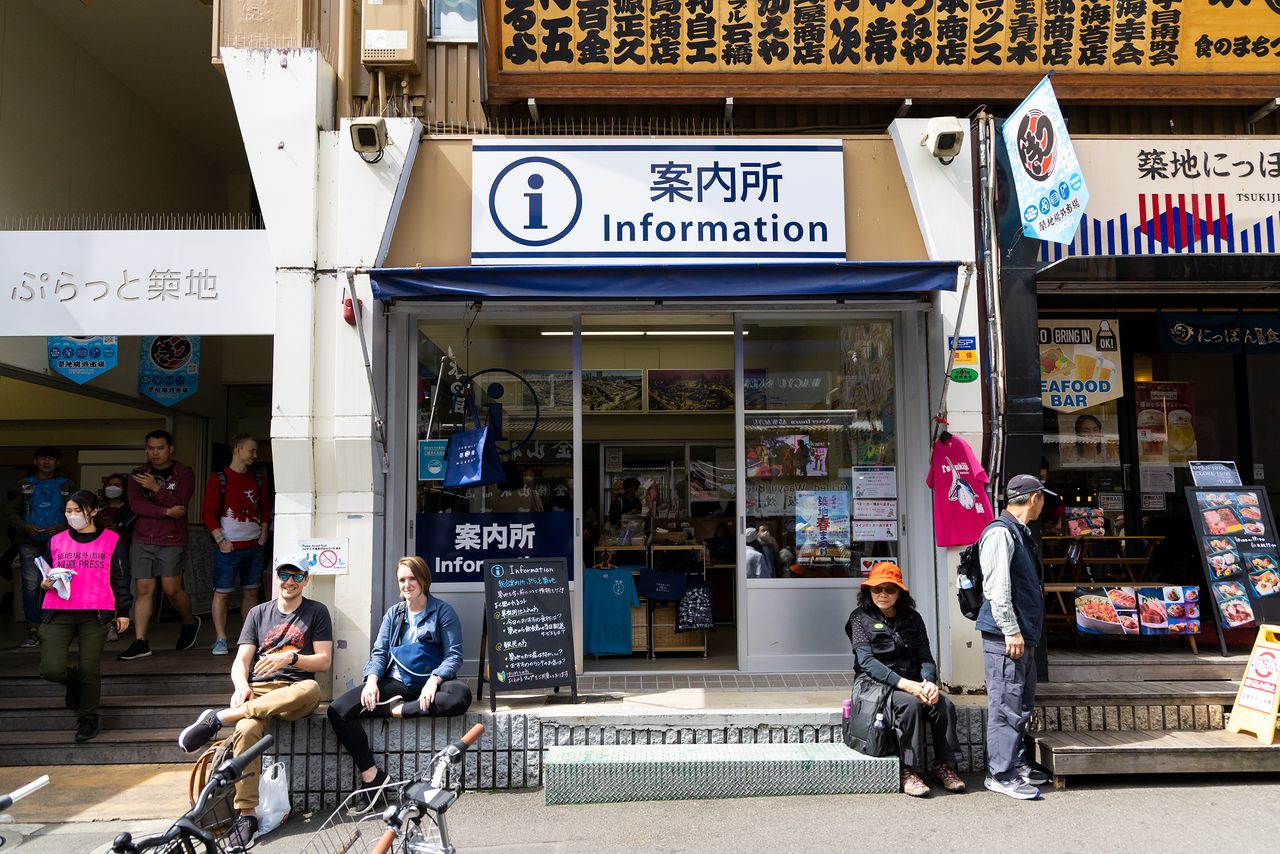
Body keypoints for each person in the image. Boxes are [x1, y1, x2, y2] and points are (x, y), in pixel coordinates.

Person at [176, 556, 332, 852]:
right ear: (276, 577)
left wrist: (291, 658)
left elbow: (324, 661)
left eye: (297, 576)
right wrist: (241, 685)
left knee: (312, 688)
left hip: (295, 690)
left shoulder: (316, 611)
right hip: (258, 691)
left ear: (306, 580)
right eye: (284, 575)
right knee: (246, 730)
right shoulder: (258, 613)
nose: (290, 582)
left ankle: (221, 718)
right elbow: (242, 660)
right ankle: (246, 816)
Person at [327, 556, 472, 814]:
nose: (407, 584)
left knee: (460, 695)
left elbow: (454, 656)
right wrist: (372, 680)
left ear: (424, 580)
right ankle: (372, 776)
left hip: (430, 682)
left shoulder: (443, 611)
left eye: (412, 578)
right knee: (338, 710)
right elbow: (380, 652)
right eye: (402, 580)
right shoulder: (394, 614)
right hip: (395, 681)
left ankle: (398, 709)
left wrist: (434, 679)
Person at [846, 562, 964, 797]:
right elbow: (866, 661)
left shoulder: (913, 618)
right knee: (909, 704)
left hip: (912, 682)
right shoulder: (859, 618)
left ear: (900, 593)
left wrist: (929, 682)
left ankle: (944, 766)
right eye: (877, 589)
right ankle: (908, 770)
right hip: (874, 685)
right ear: (868, 591)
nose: (883, 594)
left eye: (890, 589)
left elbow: (926, 657)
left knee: (943, 705)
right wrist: (905, 684)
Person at [976, 473, 1054, 800]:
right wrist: (1011, 630)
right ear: (1034, 498)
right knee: (1005, 705)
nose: (1043, 503)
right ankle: (1000, 773)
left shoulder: (1019, 532)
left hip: (1022, 635)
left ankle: (1016, 763)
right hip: (1006, 637)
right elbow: (997, 589)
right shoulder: (1000, 532)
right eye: (1043, 497)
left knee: (1020, 703)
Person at [38, 490, 133, 743]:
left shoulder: (111, 539)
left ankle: (88, 718)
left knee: (90, 669)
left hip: (96, 612)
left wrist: (124, 611)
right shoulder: (56, 540)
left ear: (93, 511)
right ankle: (73, 682)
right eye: (68, 511)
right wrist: (44, 583)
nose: (72, 516)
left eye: (77, 510)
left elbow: (121, 577)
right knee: (51, 669)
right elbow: (45, 571)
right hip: (58, 611)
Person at [119, 430, 201, 660]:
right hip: (142, 538)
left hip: (171, 538)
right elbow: (137, 506)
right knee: (144, 589)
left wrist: (156, 488)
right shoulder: (137, 474)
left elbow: (180, 506)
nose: (155, 453)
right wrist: (165, 511)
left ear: (171, 449)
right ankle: (140, 641)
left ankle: (189, 621)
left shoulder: (184, 473)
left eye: (160, 448)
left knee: (171, 590)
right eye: (151, 448)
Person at [201, 435, 272, 655]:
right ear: (238, 449)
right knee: (222, 593)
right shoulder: (219, 478)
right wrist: (221, 540)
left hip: (254, 546)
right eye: (251, 451)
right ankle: (221, 638)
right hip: (228, 547)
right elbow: (208, 512)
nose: (255, 455)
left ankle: (248, 638)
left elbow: (265, 507)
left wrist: (263, 535)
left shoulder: (258, 479)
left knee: (251, 592)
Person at [7, 446, 75, 648]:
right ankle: (33, 628)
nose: (46, 462)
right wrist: (25, 526)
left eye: (51, 458)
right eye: (42, 458)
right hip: (29, 540)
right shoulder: (23, 484)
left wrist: (63, 526)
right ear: (35, 461)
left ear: (57, 462)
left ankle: (54, 627)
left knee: (59, 581)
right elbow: (11, 512)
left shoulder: (67, 485)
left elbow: (78, 509)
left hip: (59, 540)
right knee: (30, 584)